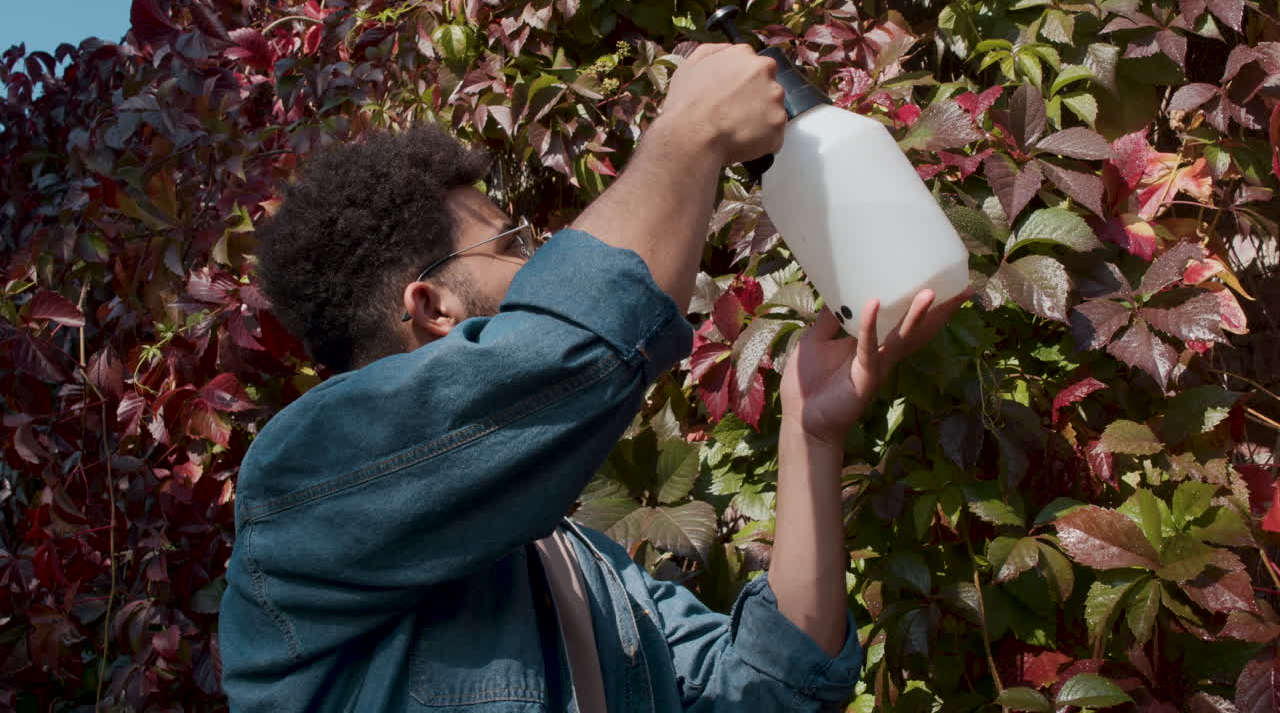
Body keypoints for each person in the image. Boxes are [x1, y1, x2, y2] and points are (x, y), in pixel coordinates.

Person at [218, 43, 963, 712]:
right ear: (432, 304)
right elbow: (568, 344)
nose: (543, 266)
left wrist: (811, 432)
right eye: (515, 244)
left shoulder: (585, 567)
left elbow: (774, 686)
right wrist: (688, 135)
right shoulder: (300, 486)